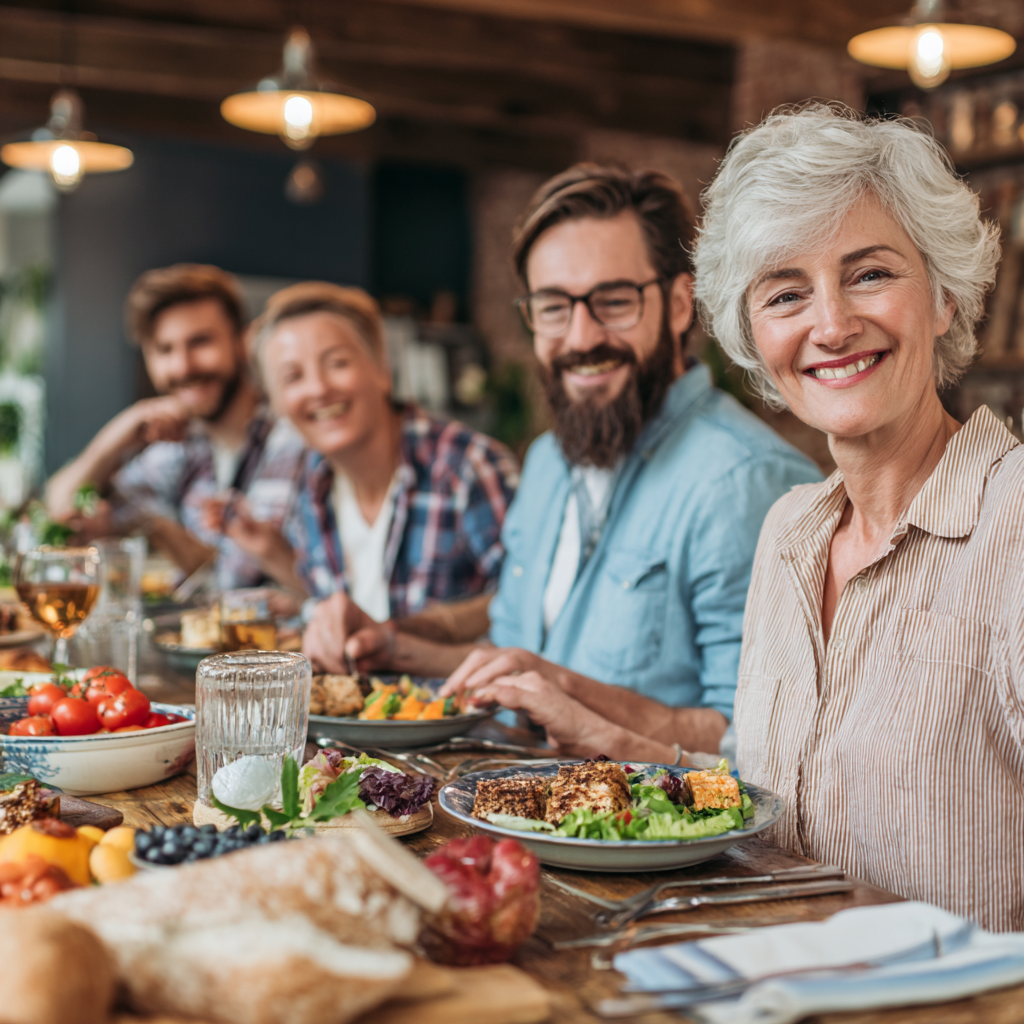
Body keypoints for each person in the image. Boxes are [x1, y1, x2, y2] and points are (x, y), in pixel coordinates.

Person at [304, 164, 821, 756]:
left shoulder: (751, 484)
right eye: (553, 307)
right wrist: (392, 646)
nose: (579, 337)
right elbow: (520, 669)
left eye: (614, 301)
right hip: (512, 809)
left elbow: (758, 740)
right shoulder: (550, 459)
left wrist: (569, 692)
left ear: (680, 305)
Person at [692, 103, 1022, 930]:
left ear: (944, 296)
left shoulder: (1013, 523)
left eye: (871, 273)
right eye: (786, 293)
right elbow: (778, 795)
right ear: (753, 337)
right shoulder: (787, 534)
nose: (832, 325)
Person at [228, 282, 519, 623]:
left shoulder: (468, 467)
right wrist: (296, 593)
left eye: (337, 363)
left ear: (382, 368)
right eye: (293, 377)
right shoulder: (310, 483)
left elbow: (530, 606)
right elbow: (347, 611)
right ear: (276, 404)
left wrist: (415, 636)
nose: (319, 389)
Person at [46, 264, 306, 591]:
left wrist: (160, 530)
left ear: (243, 342)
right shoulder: (180, 450)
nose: (183, 366)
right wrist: (121, 433)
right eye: (165, 349)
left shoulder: (295, 441)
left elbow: (246, 580)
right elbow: (62, 508)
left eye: (200, 342)